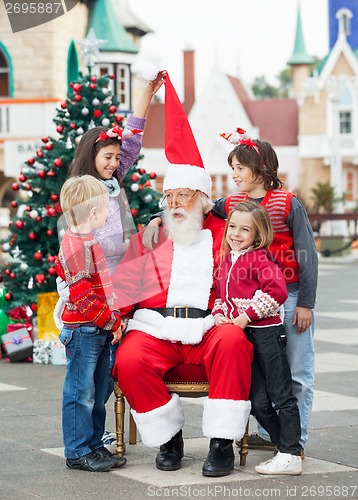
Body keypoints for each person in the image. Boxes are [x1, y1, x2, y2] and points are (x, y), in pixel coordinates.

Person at [111, 72, 253, 477]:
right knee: (130, 358)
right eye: (169, 196)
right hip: (157, 331)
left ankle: (222, 443)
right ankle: (168, 439)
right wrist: (118, 318)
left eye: (183, 196)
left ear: (203, 199)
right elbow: (124, 285)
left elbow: (249, 274)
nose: (174, 203)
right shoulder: (153, 235)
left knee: (233, 342)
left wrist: (239, 312)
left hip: (210, 328)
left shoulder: (228, 232)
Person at [146, 130, 318, 455]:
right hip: (248, 303)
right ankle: (270, 433)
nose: (234, 174)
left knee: (295, 371)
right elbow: (197, 204)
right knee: (262, 369)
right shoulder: (234, 202)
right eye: (233, 168)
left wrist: (306, 303)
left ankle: (296, 439)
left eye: (239, 168)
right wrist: (159, 217)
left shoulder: (288, 202)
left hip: (289, 295)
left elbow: (308, 253)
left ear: (262, 168)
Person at [58, 70, 166, 447]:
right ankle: (84, 436)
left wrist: (147, 94)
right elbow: (72, 250)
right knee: (88, 368)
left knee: (110, 361)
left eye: (116, 157)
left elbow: (133, 138)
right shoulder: (81, 192)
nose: (114, 162)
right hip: (92, 285)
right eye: (107, 156)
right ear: (92, 155)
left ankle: (97, 428)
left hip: (122, 277)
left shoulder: (113, 179)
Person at [213, 201, 303, 475]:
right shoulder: (227, 259)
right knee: (257, 399)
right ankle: (287, 448)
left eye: (245, 229)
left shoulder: (260, 258)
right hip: (243, 338)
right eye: (232, 227)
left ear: (258, 234)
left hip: (267, 335)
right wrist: (219, 314)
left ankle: (290, 452)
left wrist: (245, 316)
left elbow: (277, 292)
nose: (236, 234)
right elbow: (219, 294)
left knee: (281, 394)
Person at [55, 175, 126, 472]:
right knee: (80, 392)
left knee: (97, 391)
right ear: (93, 213)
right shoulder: (76, 246)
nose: (109, 213)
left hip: (95, 327)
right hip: (84, 329)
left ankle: (94, 445)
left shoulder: (86, 239)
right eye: (106, 208)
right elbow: (83, 298)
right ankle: (77, 450)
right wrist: (111, 321)